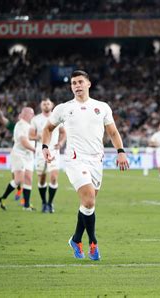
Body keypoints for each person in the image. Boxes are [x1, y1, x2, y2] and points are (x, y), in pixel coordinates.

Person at [42, 70, 129, 261]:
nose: (77, 85)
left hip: (96, 161)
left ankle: (75, 240)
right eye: (73, 83)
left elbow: (113, 133)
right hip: (75, 159)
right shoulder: (63, 108)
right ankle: (93, 242)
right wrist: (45, 147)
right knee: (89, 200)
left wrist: (121, 152)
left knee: (87, 205)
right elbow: (48, 128)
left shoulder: (102, 107)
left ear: (89, 84)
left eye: (80, 82)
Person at [29, 98, 66, 213]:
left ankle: (50, 203)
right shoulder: (35, 119)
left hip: (54, 151)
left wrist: (60, 143)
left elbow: (64, 132)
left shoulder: (57, 118)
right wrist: (38, 137)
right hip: (41, 152)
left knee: (54, 177)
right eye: (44, 103)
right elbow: (30, 136)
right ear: (41, 106)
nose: (46, 105)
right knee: (42, 179)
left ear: (52, 105)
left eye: (48, 103)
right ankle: (44, 202)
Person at [0, 107, 36, 211]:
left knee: (28, 179)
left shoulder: (30, 126)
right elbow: (23, 141)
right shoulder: (20, 125)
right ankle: (2, 198)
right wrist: (35, 149)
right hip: (19, 154)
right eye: (31, 113)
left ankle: (26, 205)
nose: (33, 115)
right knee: (19, 179)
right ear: (24, 114)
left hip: (29, 155)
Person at [0, 97, 23, 202]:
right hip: (18, 154)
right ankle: (19, 191)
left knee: (25, 177)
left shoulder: (32, 127)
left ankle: (25, 201)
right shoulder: (15, 127)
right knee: (15, 177)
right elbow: (1, 118)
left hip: (28, 155)